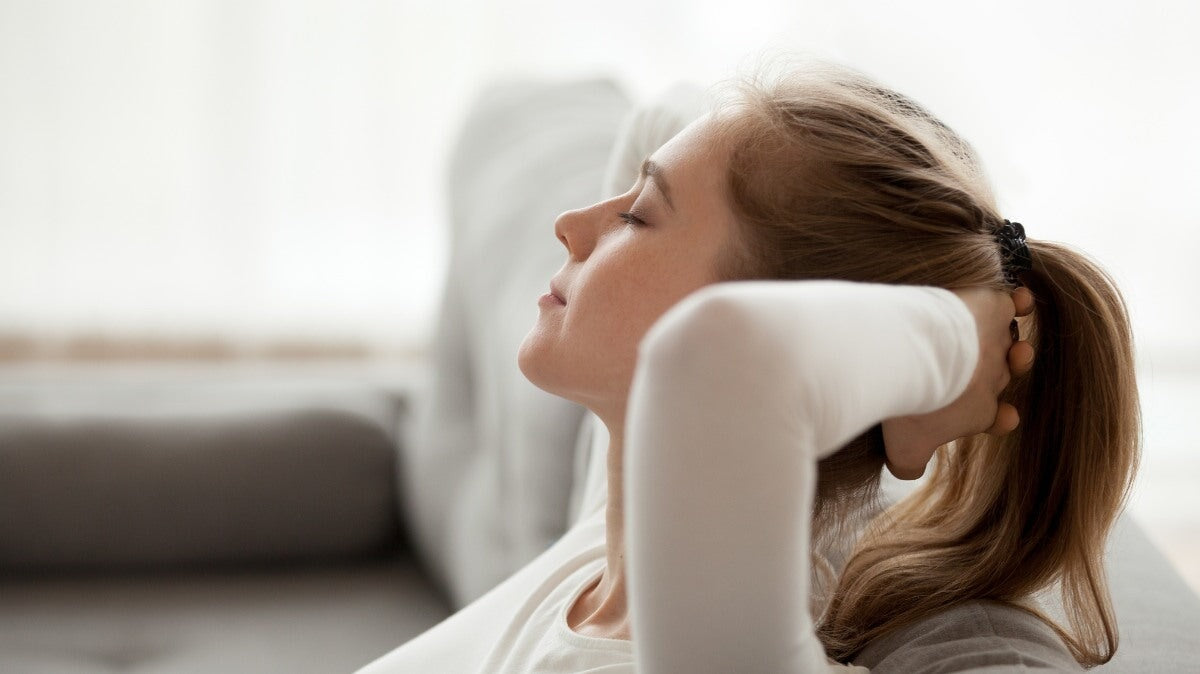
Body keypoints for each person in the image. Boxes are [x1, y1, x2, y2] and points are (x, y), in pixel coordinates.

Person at [358, 61, 1138, 673]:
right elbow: (658, 120)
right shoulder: (607, 548)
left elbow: (725, 362)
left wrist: (966, 339)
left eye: (637, 216)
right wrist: (972, 269)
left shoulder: (734, 655)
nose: (568, 226)